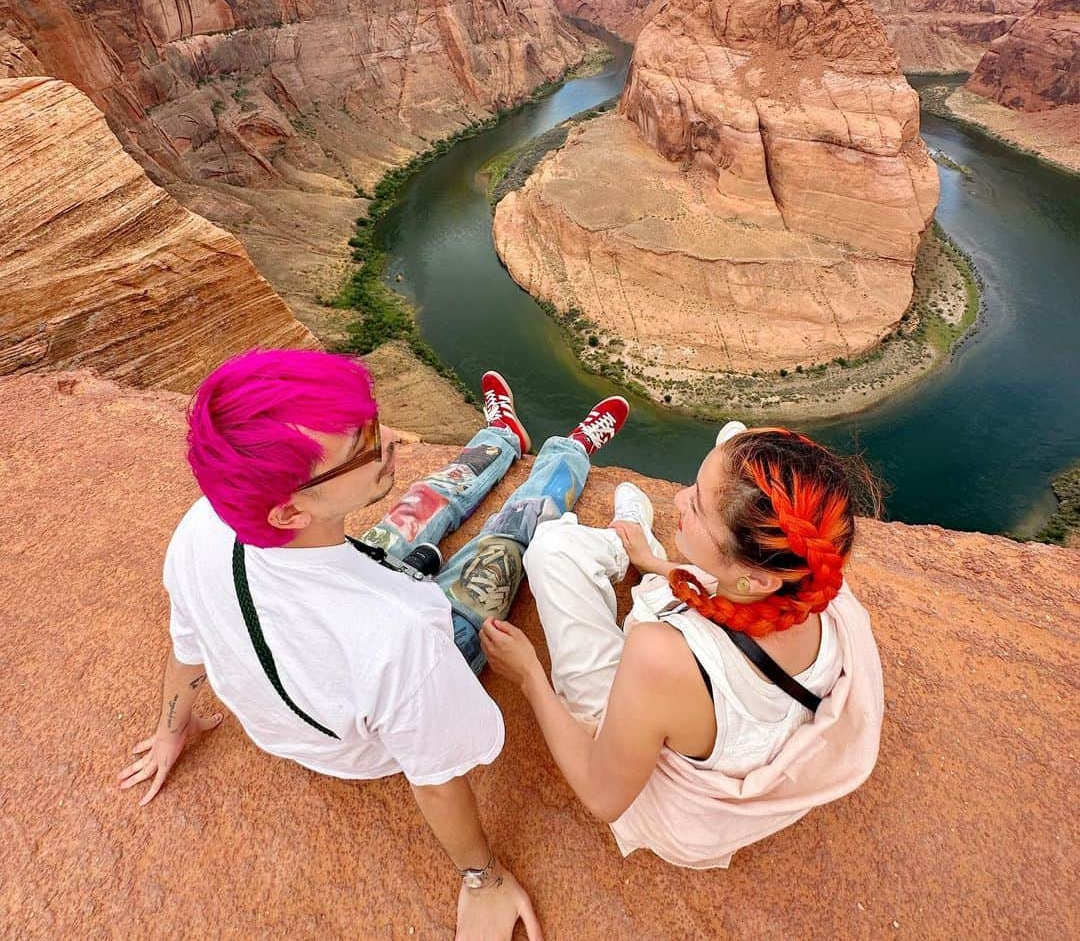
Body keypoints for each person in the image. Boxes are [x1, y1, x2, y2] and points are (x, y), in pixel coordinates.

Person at [117, 348, 629, 937]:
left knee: (417, 504)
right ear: (288, 512)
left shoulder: (205, 526)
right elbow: (436, 781)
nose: (390, 443)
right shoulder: (399, 636)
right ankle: (570, 452)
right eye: (363, 448)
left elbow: (189, 647)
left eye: (370, 425)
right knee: (508, 540)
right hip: (391, 679)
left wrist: (171, 727)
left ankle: (502, 435)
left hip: (350, 610)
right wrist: (481, 878)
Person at [481, 420, 885, 869]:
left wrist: (528, 675)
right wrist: (655, 564)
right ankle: (636, 546)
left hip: (665, 783)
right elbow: (738, 593)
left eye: (695, 505)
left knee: (551, 548)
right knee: (735, 439)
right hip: (727, 715)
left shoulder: (661, 657)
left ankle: (619, 540)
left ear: (753, 577)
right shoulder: (816, 582)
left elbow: (602, 796)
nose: (677, 499)